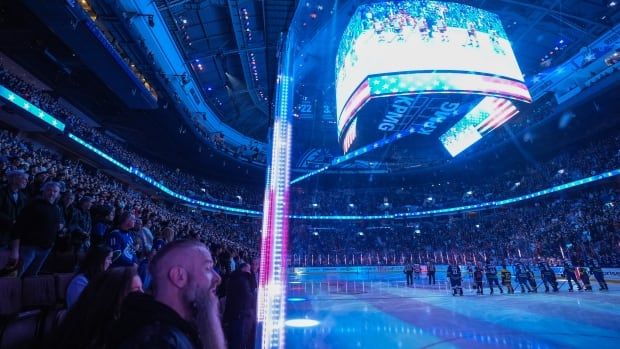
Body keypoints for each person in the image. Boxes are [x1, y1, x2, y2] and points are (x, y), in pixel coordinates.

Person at [107, 240, 225, 349]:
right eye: (208, 268)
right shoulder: (160, 342)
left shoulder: (177, 333)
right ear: (179, 276)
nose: (218, 278)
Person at [50, 266, 143, 348]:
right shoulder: (91, 334)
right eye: (136, 290)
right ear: (112, 296)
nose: (142, 294)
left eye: (141, 289)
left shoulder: (125, 328)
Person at [10, 181, 63, 277]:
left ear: (58, 194)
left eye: (55, 191)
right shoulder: (33, 205)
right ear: (43, 191)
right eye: (49, 190)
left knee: (31, 277)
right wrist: (15, 250)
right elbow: (18, 227)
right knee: (15, 276)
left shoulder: (57, 209)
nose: (52, 193)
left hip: (46, 249)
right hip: (29, 247)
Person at [223, 263, 255, 349]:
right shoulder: (242, 280)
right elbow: (249, 295)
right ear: (243, 268)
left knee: (233, 340)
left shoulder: (234, 277)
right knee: (237, 340)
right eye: (249, 268)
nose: (250, 270)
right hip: (239, 314)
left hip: (233, 313)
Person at [0, 169, 28, 247]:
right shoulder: (2, 192)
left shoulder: (23, 196)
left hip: (14, 233)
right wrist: (11, 220)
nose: (26, 181)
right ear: (14, 179)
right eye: (24, 179)